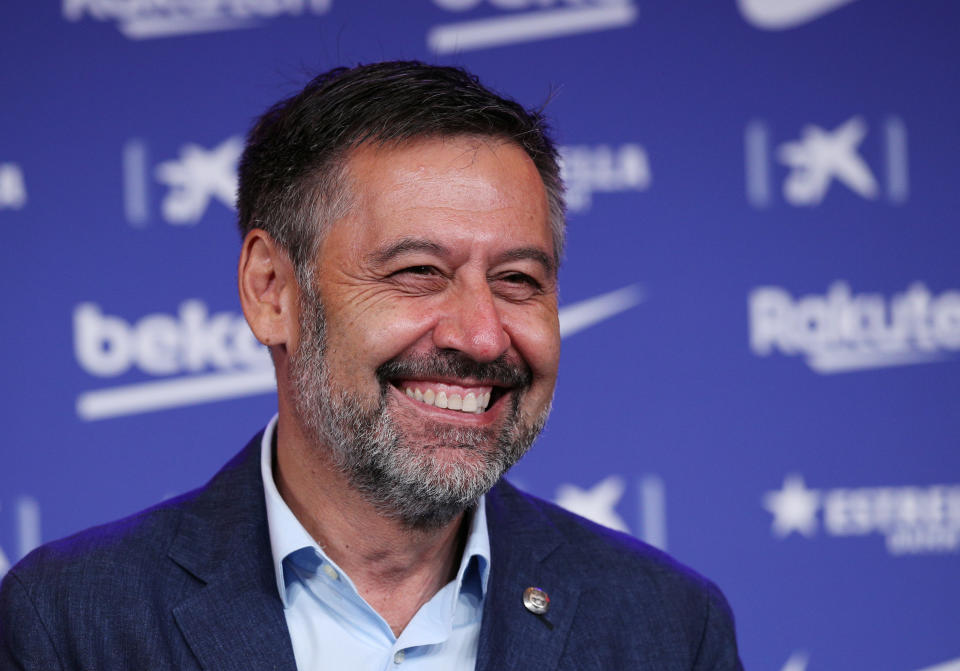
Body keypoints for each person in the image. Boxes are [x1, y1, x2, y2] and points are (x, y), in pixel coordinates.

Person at [0, 61, 743, 670]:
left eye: (518, 279)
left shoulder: (669, 628)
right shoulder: (69, 619)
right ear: (271, 291)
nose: (483, 336)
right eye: (418, 270)